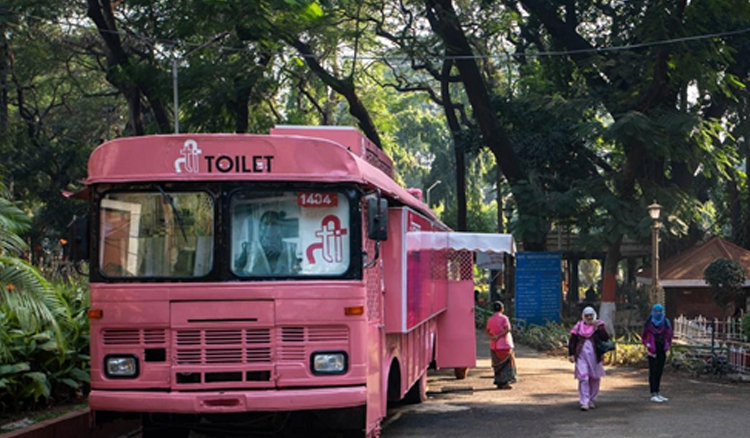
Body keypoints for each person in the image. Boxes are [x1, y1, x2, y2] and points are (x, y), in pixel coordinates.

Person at [568, 306, 609, 411]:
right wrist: (571, 354)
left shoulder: (599, 325)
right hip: (581, 356)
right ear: (583, 316)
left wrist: (598, 328)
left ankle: (591, 399)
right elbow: (572, 340)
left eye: (591, 315)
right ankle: (584, 401)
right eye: (587, 315)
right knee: (584, 378)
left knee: (595, 379)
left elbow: (605, 338)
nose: (589, 317)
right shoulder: (578, 327)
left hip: (595, 357)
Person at [641, 303, 673, 403]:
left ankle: (658, 392)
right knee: (653, 371)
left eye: (660, 311)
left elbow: (669, 334)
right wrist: (648, 344)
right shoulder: (649, 323)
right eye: (656, 311)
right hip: (652, 349)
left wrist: (667, 344)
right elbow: (643, 336)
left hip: (662, 348)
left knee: (659, 370)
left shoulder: (666, 322)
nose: (658, 313)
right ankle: (653, 392)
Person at [485, 301, 516, 389]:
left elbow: (487, 331)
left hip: (494, 345)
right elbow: (507, 329)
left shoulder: (490, 319)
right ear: (502, 309)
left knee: (497, 364)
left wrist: (493, 337)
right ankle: (505, 382)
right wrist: (499, 336)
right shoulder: (504, 318)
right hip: (505, 344)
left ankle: (499, 382)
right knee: (506, 364)